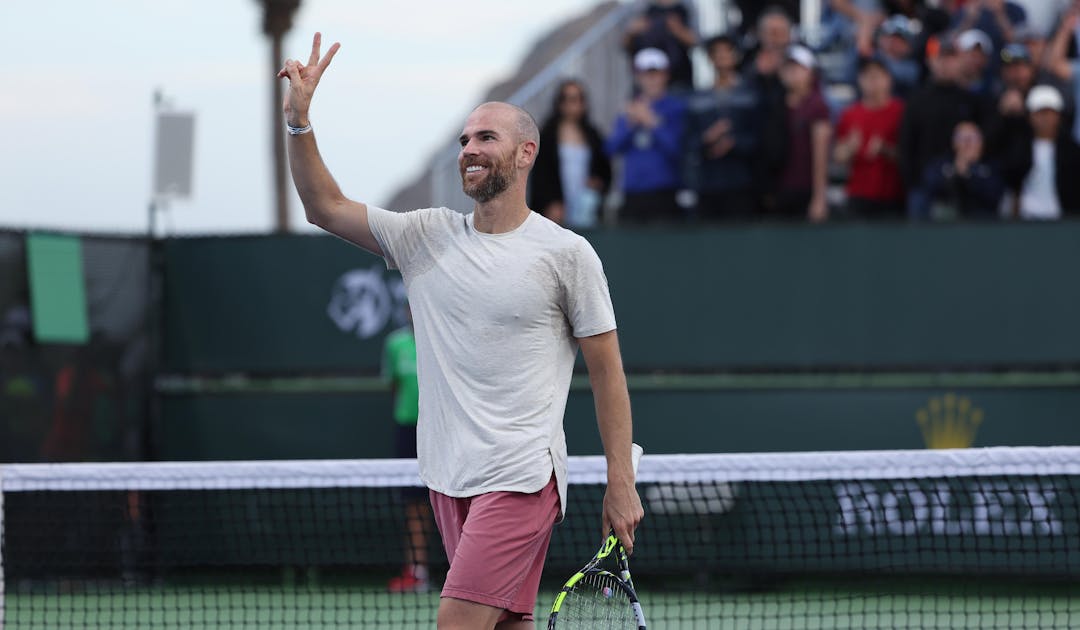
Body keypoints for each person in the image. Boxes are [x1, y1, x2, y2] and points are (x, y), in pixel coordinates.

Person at [279, 33, 644, 630]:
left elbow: (608, 374)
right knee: (504, 624)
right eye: (465, 140)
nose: (469, 149)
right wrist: (299, 122)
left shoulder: (568, 255)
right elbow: (323, 207)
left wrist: (619, 483)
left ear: (526, 154)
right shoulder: (425, 236)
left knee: (457, 624)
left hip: (523, 477)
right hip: (447, 476)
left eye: (486, 138)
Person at [682, 34, 765, 220]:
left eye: (727, 52)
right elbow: (689, 141)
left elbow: (759, 138)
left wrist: (733, 144)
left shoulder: (750, 95)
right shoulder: (697, 98)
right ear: (709, 58)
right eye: (716, 53)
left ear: (736, 56)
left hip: (742, 184)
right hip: (708, 185)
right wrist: (707, 139)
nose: (721, 57)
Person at [382, 304, 433, 594]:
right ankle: (417, 572)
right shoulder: (395, 344)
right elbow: (393, 385)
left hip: (442, 429)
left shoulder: (443, 336)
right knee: (415, 504)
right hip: (407, 430)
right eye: (408, 306)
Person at [606, 48, 688, 223]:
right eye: (646, 74)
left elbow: (677, 150)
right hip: (632, 194)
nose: (651, 80)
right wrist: (630, 124)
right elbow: (611, 148)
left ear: (666, 75)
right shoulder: (629, 110)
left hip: (664, 193)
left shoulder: (675, 108)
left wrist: (652, 122)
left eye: (656, 74)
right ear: (638, 76)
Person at [528, 79, 612, 229]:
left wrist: (598, 183)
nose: (574, 104)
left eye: (579, 98)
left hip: (586, 208)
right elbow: (540, 174)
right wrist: (549, 202)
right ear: (559, 102)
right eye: (568, 99)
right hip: (555, 210)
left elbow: (604, 169)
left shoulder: (593, 135)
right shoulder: (547, 136)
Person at [833, 56, 906, 218]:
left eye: (877, 76)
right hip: (859, 195)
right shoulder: (850, 114)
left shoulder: (901, 112)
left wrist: (885, 150)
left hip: (892, 196)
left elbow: (909, 155)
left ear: (888, 79)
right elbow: (838, 156)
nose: (873, 81)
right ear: (860, 80)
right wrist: (849, 148)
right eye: (868, 76)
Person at [770, 45, 833, 221]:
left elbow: (821, 154)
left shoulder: (817, 106)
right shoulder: (777, 103)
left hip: (806, 191)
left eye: (798, 68)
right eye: (788, 67)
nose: (792, 73)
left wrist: (819, 197)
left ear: (811, 72)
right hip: (781, 190)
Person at [909, 120, 1005, 219]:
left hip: (980, 220)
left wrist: (969, 173)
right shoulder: (942, 163)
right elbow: (929, 184)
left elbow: (995, 195)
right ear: (954, 143)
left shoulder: (991, 165)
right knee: (918, 197)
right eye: (962, 138)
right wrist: (955, 172)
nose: (967, 144)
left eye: (973, 138)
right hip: (946, 219)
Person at [623, 0, 698, 92]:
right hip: (646, 83)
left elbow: (695, 41)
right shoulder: (640, 7)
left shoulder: (686, 6)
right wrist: (632, 32)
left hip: (679, 80)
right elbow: (625, 45)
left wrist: (678, 29)